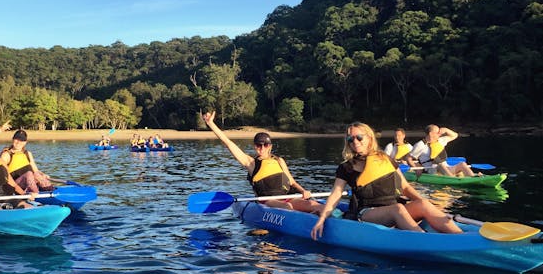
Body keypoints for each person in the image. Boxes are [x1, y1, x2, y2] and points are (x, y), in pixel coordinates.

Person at [311, 122, 462, 240]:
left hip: (392, 208)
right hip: (366, 212)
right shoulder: (346, 167)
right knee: (398, 209)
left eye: (359, 137)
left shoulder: (385, 159)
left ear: (369, 138)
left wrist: (424, 205)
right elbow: (336, 195)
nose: (355, 142)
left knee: (423, 203)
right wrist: (322, 219)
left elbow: (405, 188)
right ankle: (427, 241)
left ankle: (461, 236)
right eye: (350, 139)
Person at [202, 111, 323, 213]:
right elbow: (228, 143)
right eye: (258, 145)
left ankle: (331, 218)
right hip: (268, 201)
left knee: (313, 204)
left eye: (265, 145)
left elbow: (291, 181)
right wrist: (211, 124)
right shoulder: (251, 163)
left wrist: (303, 191)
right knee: (287, 208)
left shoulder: (279, 160)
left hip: (288, 197)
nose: (262, 148)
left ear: (270, 146)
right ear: (255, 146)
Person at [407, 125, 476, 176]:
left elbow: (455, 135)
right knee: (440, 165)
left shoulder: (441, 140)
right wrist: (416, 168)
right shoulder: (420, 145)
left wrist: (446, 130)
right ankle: (452, 179)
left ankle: (473, 177)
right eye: (438, 132)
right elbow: (408, 158)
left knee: (462, 164)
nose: (440, 134)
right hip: (431, 170)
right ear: (431, 134)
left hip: (446, 168)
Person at [0, 129, 52, 193]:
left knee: (37, 175)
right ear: (13, 139)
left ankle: (51, 190)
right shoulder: (6, 155)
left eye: (22, 140)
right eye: (17, 139)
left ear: (25, 142)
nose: (18, 142)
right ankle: (36, 194)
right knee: (29, 174)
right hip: (15, 185)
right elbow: (3, 175)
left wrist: (43, 175)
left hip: (29, 182)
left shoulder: (28, 153)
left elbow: (36, 170)